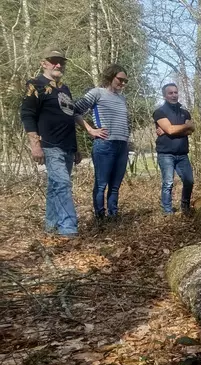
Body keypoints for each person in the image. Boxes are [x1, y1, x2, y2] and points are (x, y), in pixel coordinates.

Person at [20, 47, 81, 238]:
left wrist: (76, 147)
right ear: (43, 63)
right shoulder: (35, 84)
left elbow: (69, 117)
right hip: (49, 144)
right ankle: (68, 228)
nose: (58, 64)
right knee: (62, 183)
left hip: (67, 146)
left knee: (55, 186)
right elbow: (27, 115)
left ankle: (51, 225)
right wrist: (35, 144)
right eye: (54, 60)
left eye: (61, 61)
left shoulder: (64, 88)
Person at [74, 64, 131, 222]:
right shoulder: (97, 93)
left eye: (125, 81)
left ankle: (113, 218)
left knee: (115, 185)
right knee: (101, 184)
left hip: (122, 146)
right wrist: (90, 130)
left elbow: (125, 121)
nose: (122, 83)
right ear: (110, 76)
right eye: (120, 79)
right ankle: (100, 219)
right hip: (105, 145)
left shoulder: (122, 98)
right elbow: (75, 111)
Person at [153, 83, 195, 214]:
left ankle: (185, 207)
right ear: (165, 96)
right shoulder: (159, 112)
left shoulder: (185, 112)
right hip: (166, 154)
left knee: (189, 181)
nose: (174, 95)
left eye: (175, 92)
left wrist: (168, 130)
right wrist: (181, 127)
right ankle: (167, 211)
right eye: (170, 93)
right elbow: (171, 130)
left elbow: (191, 130)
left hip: (182, 154)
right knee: (168, 183)